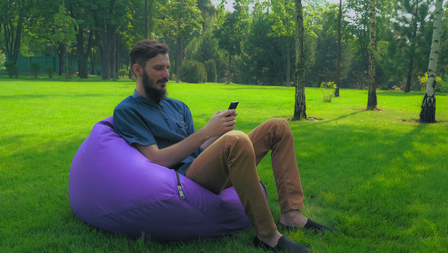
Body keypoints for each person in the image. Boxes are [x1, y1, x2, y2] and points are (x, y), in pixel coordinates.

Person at [113, 39, 335, 253]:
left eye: (168, 68)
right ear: (138, 69)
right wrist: (207, 131)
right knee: (236, 140)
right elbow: (157, 159)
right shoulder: (128, 111)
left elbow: (197, 149)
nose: (167, 75)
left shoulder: (178, 107)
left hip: (203, 167)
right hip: (184, 179)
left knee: (278, 127)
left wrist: (217, 131)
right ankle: (267, 236)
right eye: (158, 68)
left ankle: (292, 215)